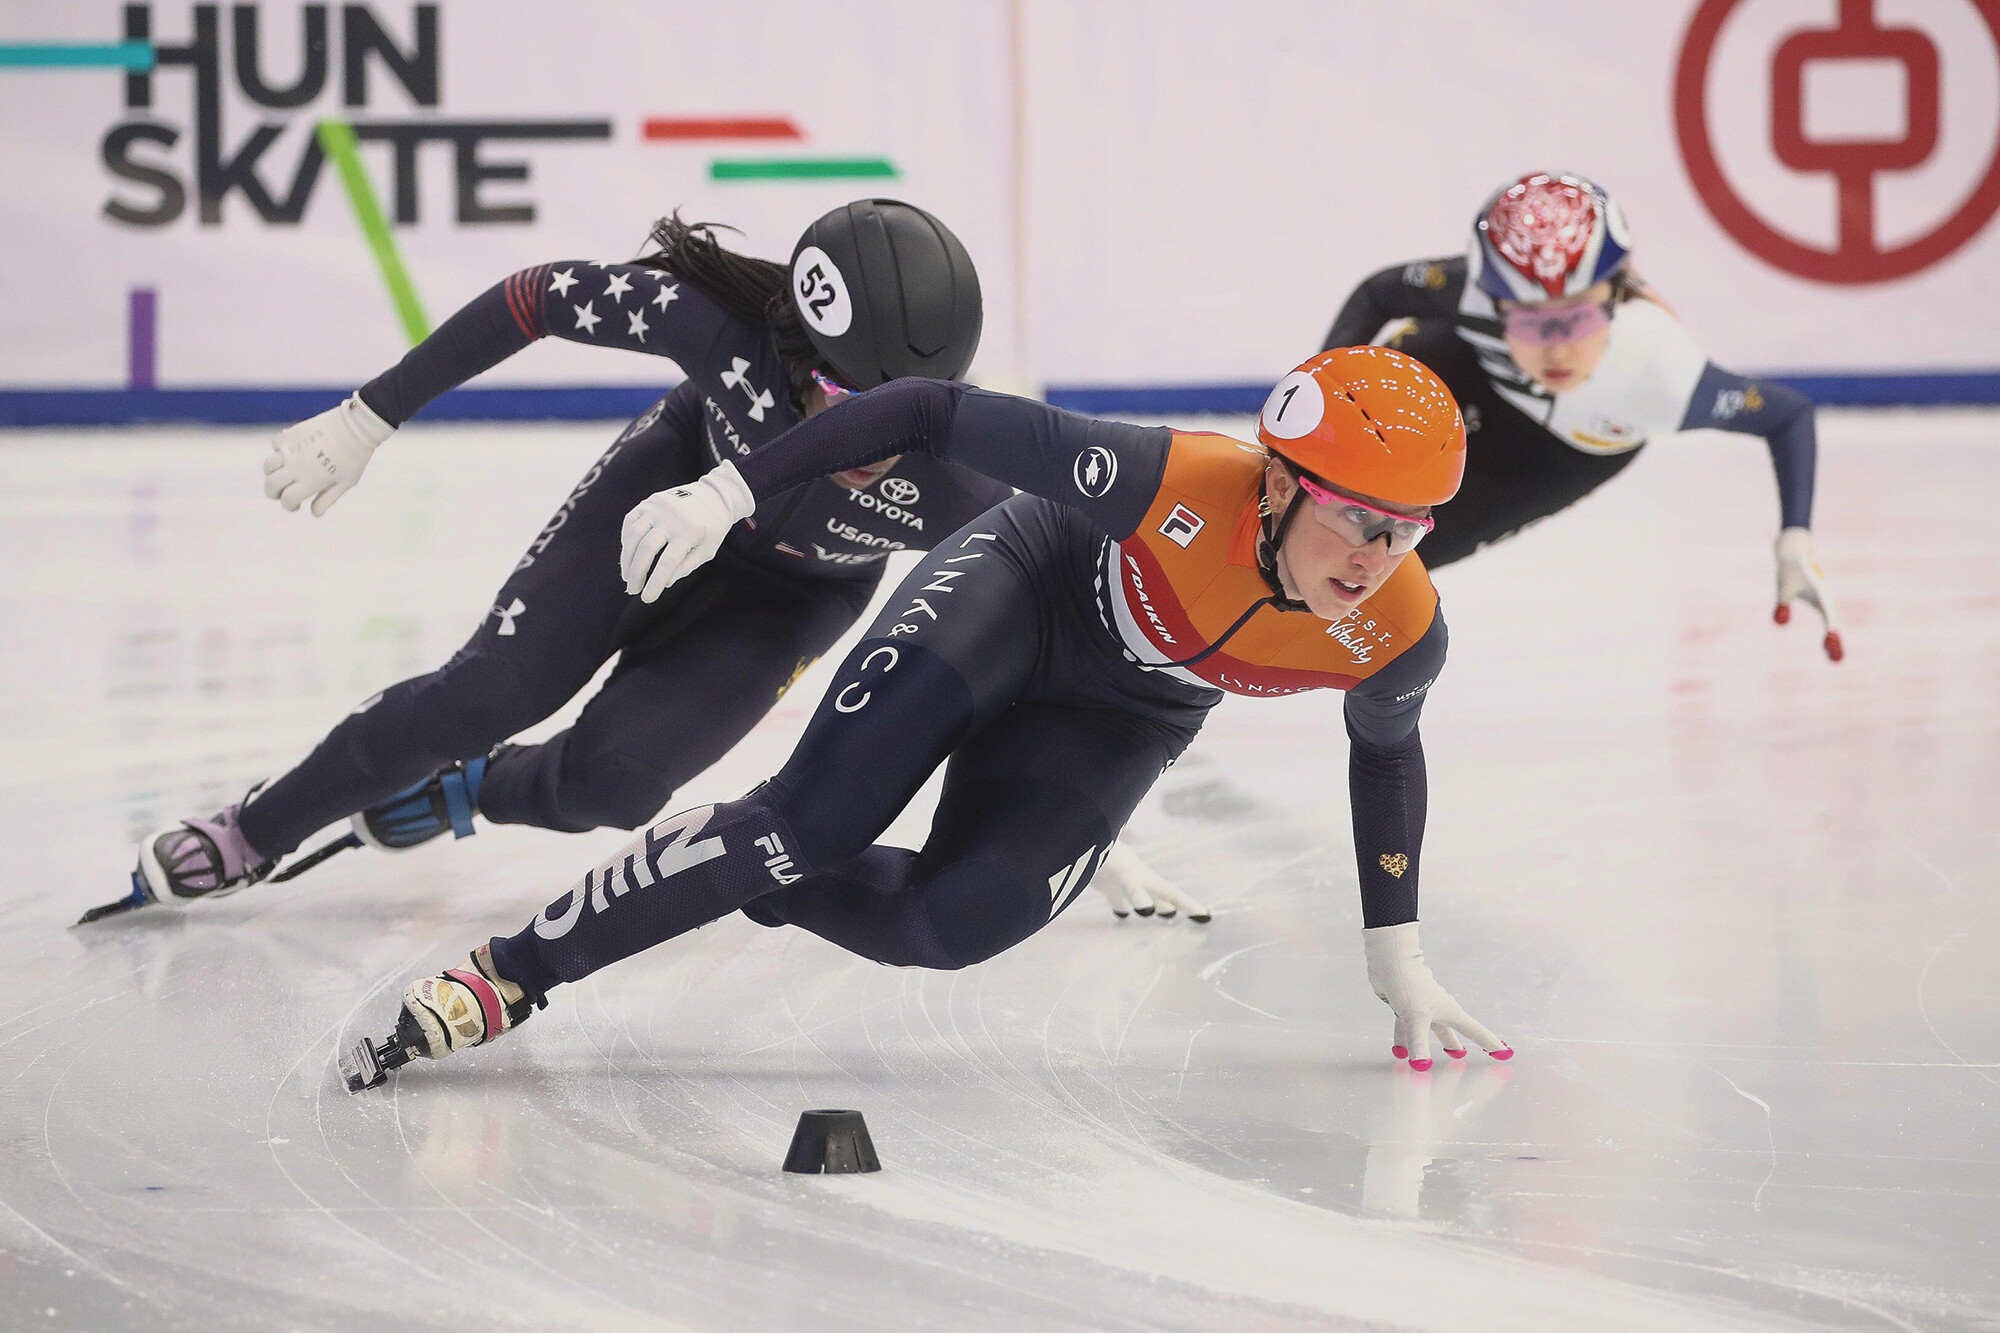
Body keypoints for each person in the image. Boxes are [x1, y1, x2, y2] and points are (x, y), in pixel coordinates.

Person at [342, 345, 1515, 1091]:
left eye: (1404, 529)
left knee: (952, 923)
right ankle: (515, 970)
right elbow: (931, 409)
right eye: (1354, 517)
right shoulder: (1171, 480)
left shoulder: (1399, 627)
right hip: (1024, 586)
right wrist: (731, 488)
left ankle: (720, 852)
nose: (1374, 557)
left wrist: (1393, 950)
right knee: (806, 822)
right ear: (1273, 482)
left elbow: (1386, 752)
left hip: (1125, 708)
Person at [91, 200, 1197, 924]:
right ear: (793, 348)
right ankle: (253, 829)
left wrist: (1092, 814)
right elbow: (533, 299)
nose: (885, 439)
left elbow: (1044, 624)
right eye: (854, 405)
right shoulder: (717, 329)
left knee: (615, 787)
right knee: (489, 690)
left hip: (795, 587)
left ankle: (472, 792)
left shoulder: (972, 474)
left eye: (914, 410)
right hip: (663, 494)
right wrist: (367, 417)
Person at [1323, 172, 1842, 661]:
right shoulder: (1472, 293)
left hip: (1564, 450)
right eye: (1531, 322)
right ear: (1498, 303)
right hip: (1475, 368)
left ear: (1617, 296)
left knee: (1386, 559)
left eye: (1578, 319)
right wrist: (1318, 402)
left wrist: (1795, 538)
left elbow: (1787, 415)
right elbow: (1378, 293)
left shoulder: (1660, 375)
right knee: (1325, 496)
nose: (1559, 352)